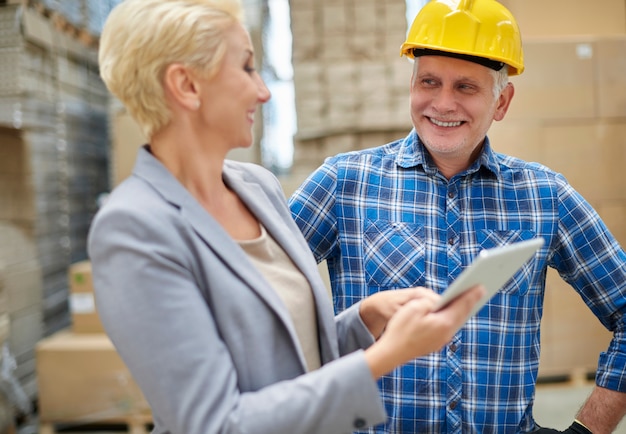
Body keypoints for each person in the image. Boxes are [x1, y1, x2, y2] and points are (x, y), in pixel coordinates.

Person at [87, 1, 485, 433]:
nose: (264, 90)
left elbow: (285, 357)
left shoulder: (257, 188)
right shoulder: (133, 229)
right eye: (246, 67)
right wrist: (386, 357)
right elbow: (215, 423)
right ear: (186, 85)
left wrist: (364, 321)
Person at [288, 0, 626, 433]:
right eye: (429, 82)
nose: (443, 103)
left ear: (501, 101)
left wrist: (588, 428)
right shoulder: (342, 183)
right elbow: (255, 298)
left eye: (466, 87)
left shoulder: (545, 196)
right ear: (411, 85)